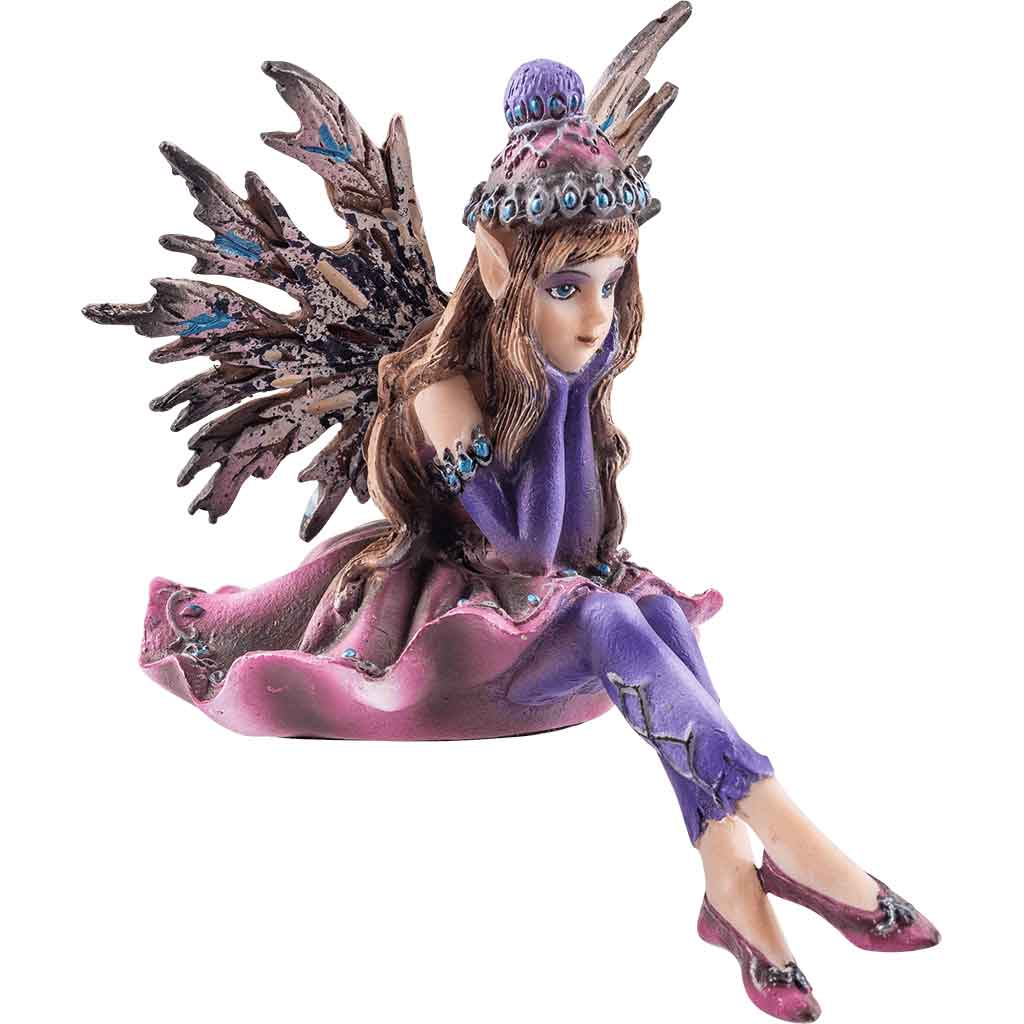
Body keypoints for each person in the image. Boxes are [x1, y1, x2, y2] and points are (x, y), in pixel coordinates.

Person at [83, 7, 939, 1019]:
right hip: (450, 629)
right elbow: (529, 548)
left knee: (650, 613)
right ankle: (793, 840)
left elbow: (586, 546)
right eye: (568, 286)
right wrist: (564, 392)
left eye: (610, 284)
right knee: (615, 616)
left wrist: (573, 394)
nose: (596, 315)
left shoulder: (559, 367)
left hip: (540, 612)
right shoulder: (440, 392)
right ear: (498, 271)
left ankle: (731, 885)